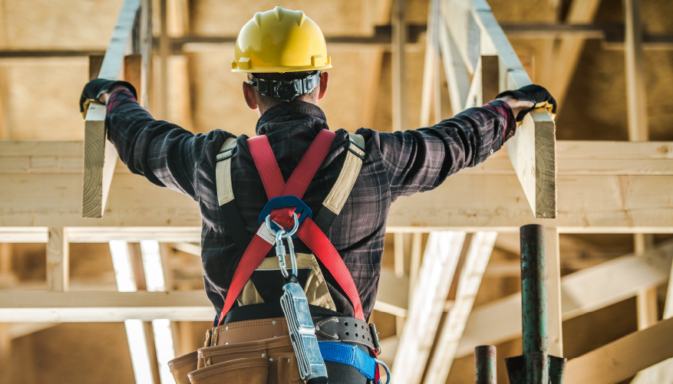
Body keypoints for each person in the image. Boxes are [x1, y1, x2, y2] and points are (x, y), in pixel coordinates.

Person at [80, 6, 556, 384]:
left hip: (234, 369)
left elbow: (144, 143)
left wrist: (115, 96)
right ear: (322, 83)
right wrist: (508, 109)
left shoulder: (212, 160)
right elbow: (452, 144)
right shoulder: (372, 159)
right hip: (338, 367)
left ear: (250, 93)